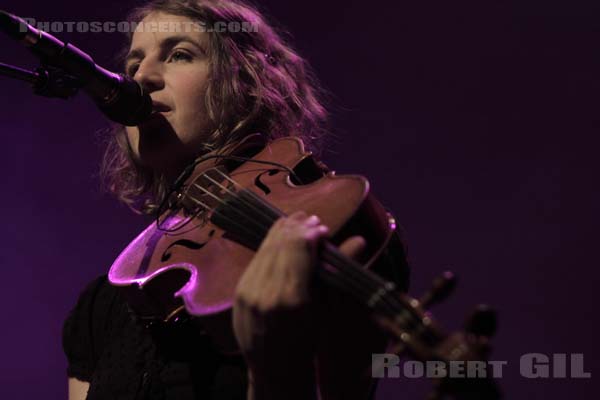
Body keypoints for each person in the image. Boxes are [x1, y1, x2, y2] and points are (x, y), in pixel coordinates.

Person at [63, 1, 409, 399]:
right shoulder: (101, 305)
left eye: (179, 55)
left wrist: (276, 368)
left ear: (246, 81)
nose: (142, 78)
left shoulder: (329, 228)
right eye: (133, 65)